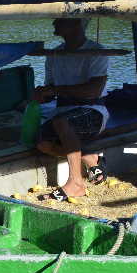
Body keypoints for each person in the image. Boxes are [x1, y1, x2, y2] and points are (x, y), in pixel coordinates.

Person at [33, 18, 109, 201]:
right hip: (63, 111)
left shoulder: (96, 51)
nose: (54, 22)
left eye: (60, 20)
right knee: (42, 144)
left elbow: (94, 90)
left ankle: (76, 183)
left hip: (93, 110)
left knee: (62, 122)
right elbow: (51, 90)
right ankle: (90, 159)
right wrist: (42, 94)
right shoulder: (54, 54)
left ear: (76, 23)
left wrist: (56, 90)